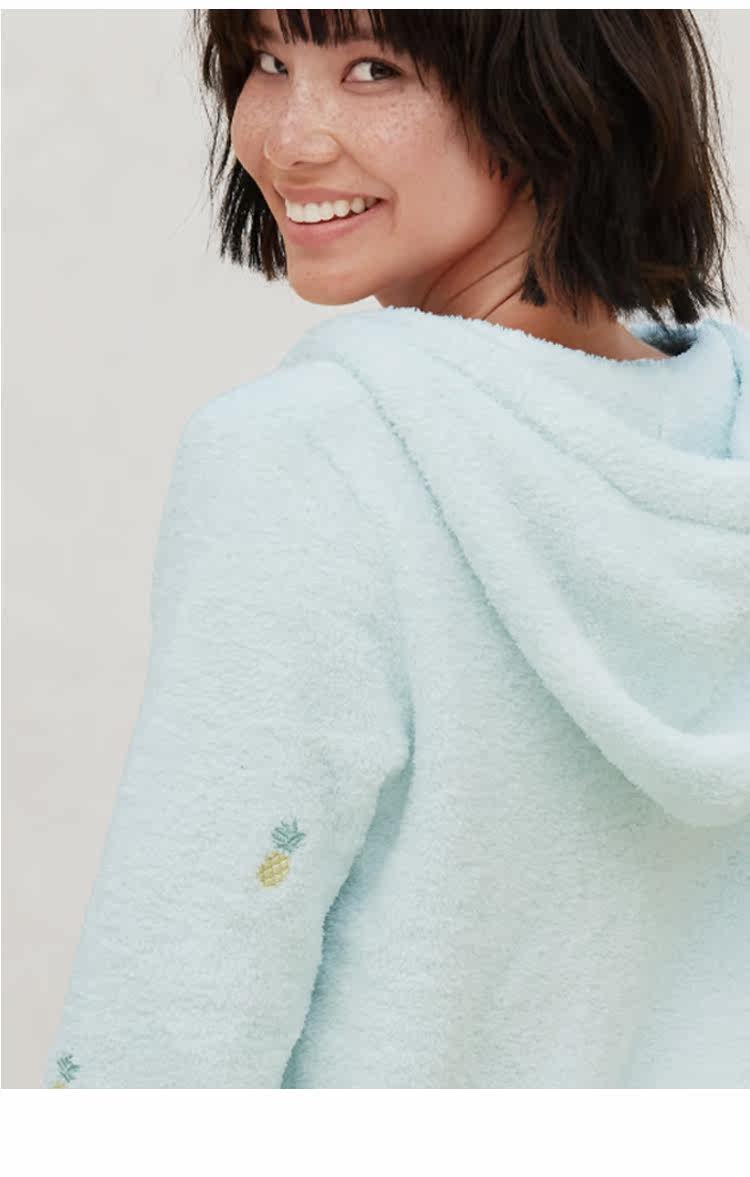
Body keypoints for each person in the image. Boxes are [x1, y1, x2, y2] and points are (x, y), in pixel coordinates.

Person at [41, 9, 749, 1089]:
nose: (289, 138)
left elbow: (175, 1011)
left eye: (374, 69)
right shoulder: (719, 450)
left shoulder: (312, 460)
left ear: (558, 88)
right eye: (268, 62)